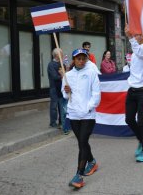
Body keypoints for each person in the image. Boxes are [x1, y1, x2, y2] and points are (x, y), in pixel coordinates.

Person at [63, 48, 101, 189]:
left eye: (83, 58)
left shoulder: (91, 73)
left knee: (82, 142)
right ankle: (91, 162)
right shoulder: (67, 75)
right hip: (73, 114)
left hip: (87, 114)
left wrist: (88, 107)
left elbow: (96, 94)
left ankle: (78, 175)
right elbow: (65, 95)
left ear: (86, 59)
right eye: (78, 58)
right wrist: (67, 92)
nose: (81, 61)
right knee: (82, 142)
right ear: (74, 60)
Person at [124, 25, 143, 162]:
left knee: (142, 121)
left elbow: (140, 52)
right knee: (129, 119)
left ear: (142, 37)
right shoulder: (134, 54)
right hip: (133, 90)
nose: (135, 37)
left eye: (137, 35)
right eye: (134, 35)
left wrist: (130, 37)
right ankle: (142, 140)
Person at [47, 48, 67, 131]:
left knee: (61, 106)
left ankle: (62, 122)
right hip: (54, 88)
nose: (62, 55)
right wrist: (62, 76)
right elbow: (55, 76)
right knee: (54, 106)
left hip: (61, 87)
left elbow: (66, 73)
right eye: (61, 54)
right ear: (56, 55)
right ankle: (53, 122)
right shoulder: (51, 65)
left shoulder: (62, 64)